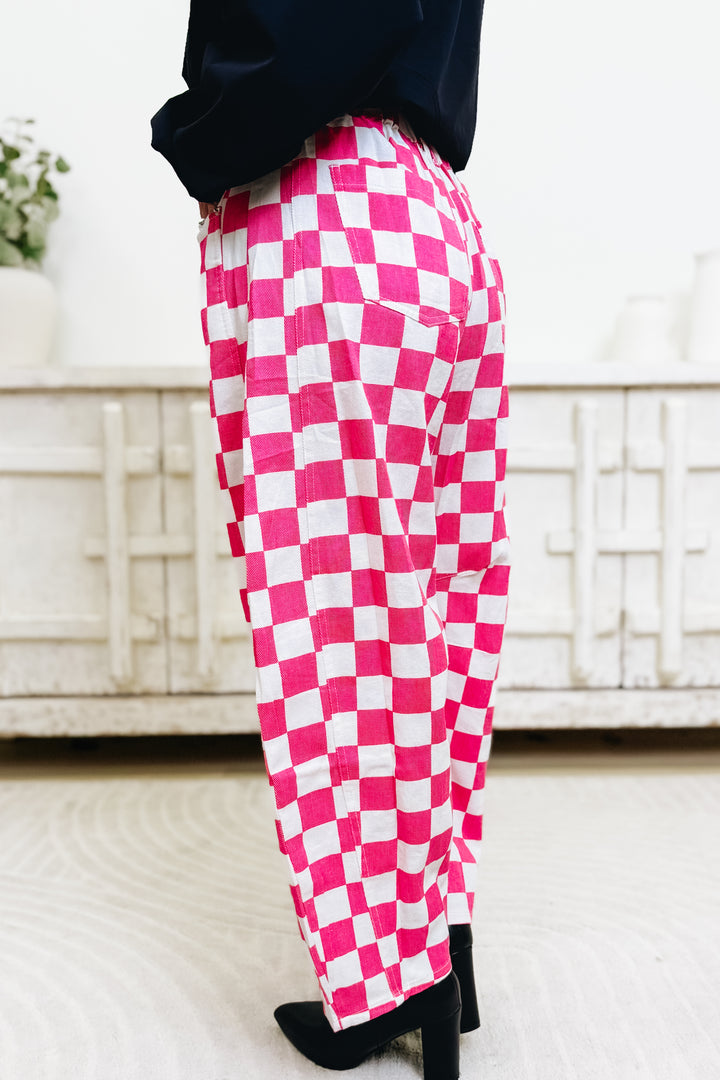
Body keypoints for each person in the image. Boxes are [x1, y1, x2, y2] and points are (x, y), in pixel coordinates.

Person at [151, 3, 511, 1077]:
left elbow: (311, 33)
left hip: (324, 205)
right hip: (434, 217)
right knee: (434, 611)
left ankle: (389, 985)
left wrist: (195, 134)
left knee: (340, 624)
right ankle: (438, 945)